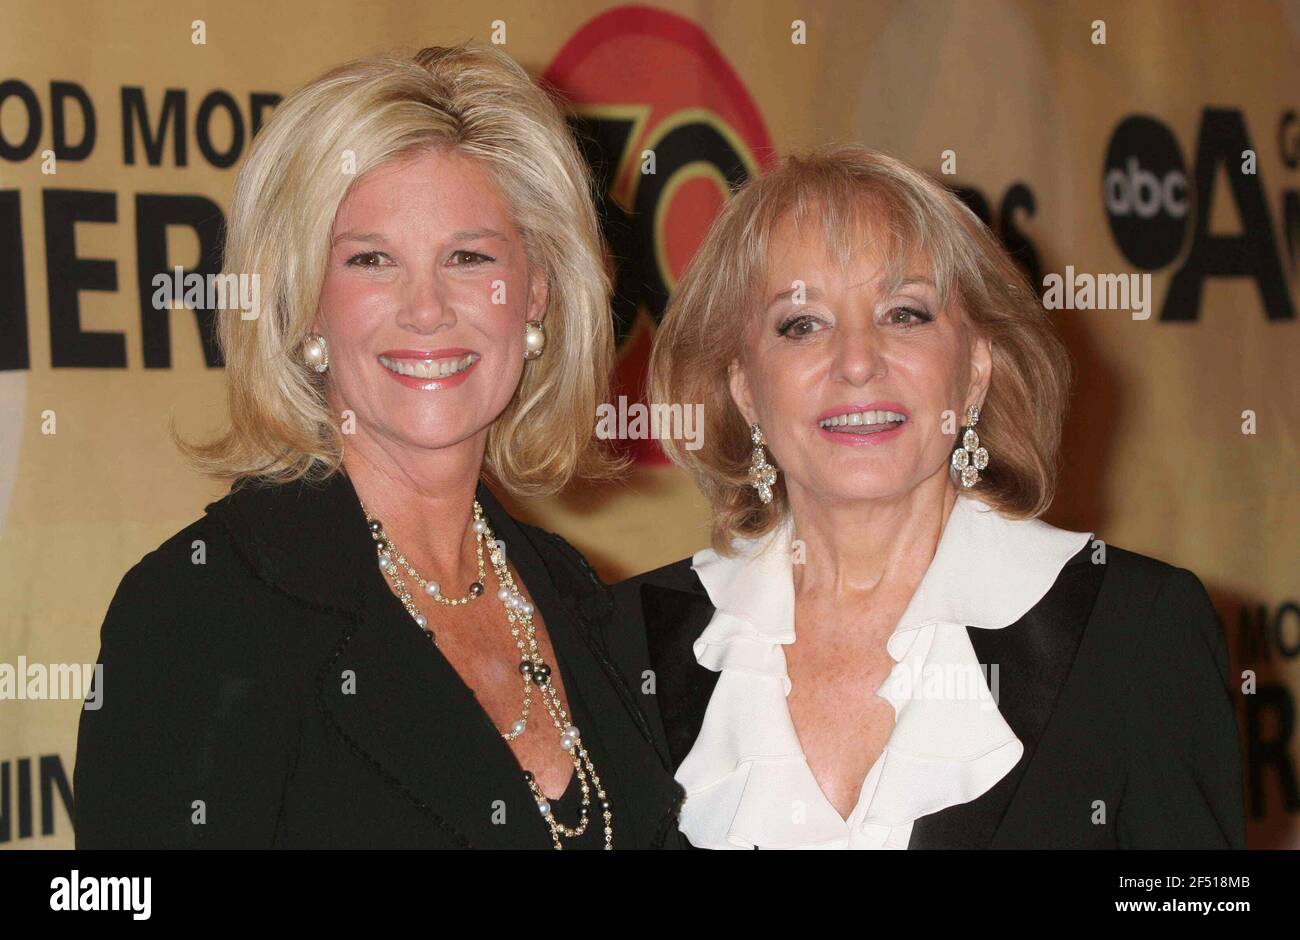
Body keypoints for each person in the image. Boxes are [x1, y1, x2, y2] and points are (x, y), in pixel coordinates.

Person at [74, 43, 682, 849]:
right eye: (371, 260)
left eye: (469, 257)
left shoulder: (568, 591)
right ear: (306, 302)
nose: (426, 309)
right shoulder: (202, 610)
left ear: (534, 291)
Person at [613, 146, 1246, 849]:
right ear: (743, 389)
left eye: (905, 314)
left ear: (976, 370)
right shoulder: (628, 646)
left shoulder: (1136, 632)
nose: (857, 361)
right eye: (801, 324)